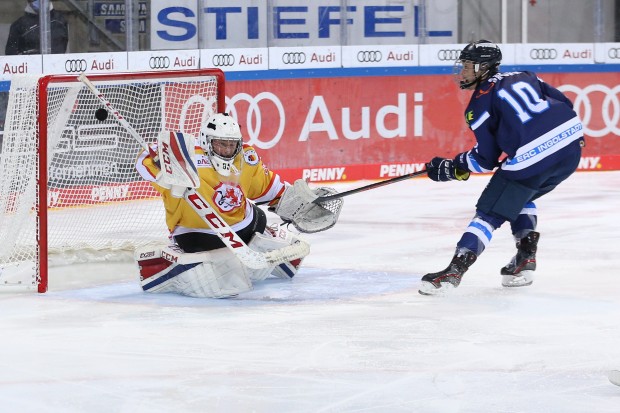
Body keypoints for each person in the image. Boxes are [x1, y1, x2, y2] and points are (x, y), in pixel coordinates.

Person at [419, 40, 584, 295]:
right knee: (520, 193)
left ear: (484, 68)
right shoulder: (524, 75)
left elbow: (485, 159)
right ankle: (525, 259)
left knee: (489, 213)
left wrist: (452, 167)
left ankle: (454, 271)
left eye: (467, 66)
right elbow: (565, 103)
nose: (462, 72)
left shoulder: (479, 104)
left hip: (535, 157)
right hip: (572, 147)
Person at [134, 113, 339, 298]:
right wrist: (164, 176)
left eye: (231, 145)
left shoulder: (245, 159)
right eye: (220, 144)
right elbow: (144, 157)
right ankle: (180, 256)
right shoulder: (189, 158)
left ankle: (267, 236)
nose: (226, 150)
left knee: (259, 216)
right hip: (197, 234)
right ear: (207, 142)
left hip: (244, 228)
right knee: (201, 252)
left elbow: (268, 188)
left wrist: (299, 203)